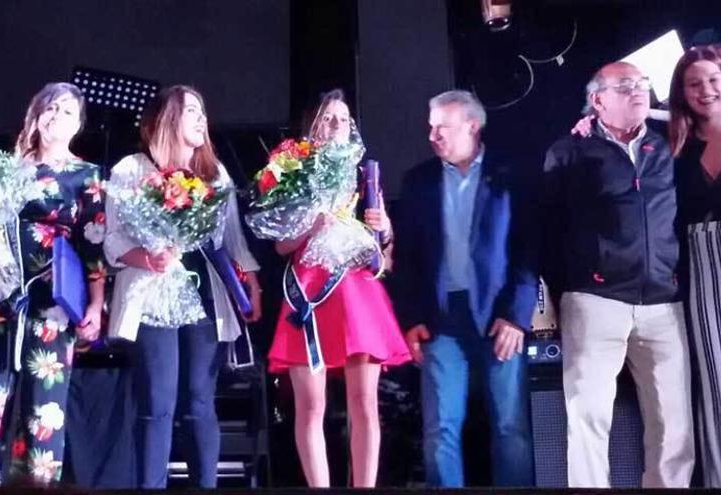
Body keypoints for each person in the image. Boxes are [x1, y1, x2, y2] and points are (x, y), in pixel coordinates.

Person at [542, 61, 694, 488]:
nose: (638, 91)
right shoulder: (569, 151)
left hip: (664, 301)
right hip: (595, 300)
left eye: (643, 83)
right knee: (588, 417)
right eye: (625, 86)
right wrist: (566, 290)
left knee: (674, 425)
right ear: (598, 101)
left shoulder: (670, 145)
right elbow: (548, 229)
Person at [103, 85, 262, 489]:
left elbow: (233, 240)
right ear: (167, 118)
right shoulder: (131, 170)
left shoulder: (216, 173)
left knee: (200, 401)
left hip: (205, 295)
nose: (201, 119)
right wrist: (149, 257)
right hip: (154, 293)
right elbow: (114, 241)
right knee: (158, 403)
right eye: (191, 110)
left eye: (202, 111)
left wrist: (252, 285)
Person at [0, 82, 106, 491]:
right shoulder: (3, 170)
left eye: (68, 112)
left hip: (52, 303)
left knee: (44, 411)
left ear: (78, 126)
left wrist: (95, 305)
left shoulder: (86, 176)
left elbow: (93, 245)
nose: (58, 117)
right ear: (36, 115)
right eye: (51, 108)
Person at [266, 89, 410, 488]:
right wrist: (312, 225)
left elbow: (385, 251)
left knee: (364, 402)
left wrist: (384, 229)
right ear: (312, 127)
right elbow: (280, 245)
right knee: (310, 406)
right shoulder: (291, 172)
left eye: (343, 119)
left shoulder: (365, 177)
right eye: (328, 118)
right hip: (309, 290)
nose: (336, 125)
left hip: (355, 291)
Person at [393, 90, 537, 487]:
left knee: (511, 426)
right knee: (441, 428)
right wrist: (411, 319)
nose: (433, 135)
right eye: (430, 127)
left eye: (443, 126)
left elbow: (527, 251)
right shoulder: (418, 181)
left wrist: (517, 317)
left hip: (499, 315)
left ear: (473, 125)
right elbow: (406, 259)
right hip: (441, 318)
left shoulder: (509, 174)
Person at [668, 44, 721, 487]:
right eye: (694, 83)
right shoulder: (675, 142)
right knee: (714, 376)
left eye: (713, 79)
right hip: (700, 263)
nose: (706, 90)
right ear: (682, 92)